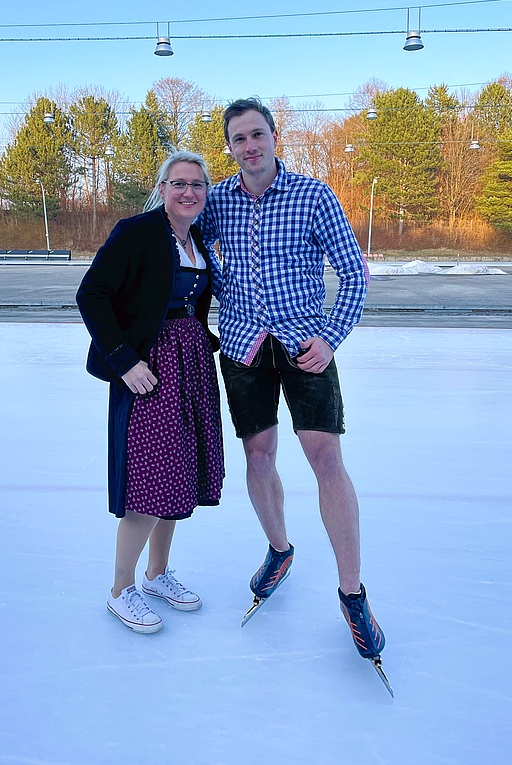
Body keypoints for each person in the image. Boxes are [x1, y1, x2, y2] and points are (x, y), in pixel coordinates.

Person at [198, 97, 385, 660]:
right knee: (258, 455)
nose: (249, 146)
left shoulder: (313, 195)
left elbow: (354, 273)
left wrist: (330, 338)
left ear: (275, 137)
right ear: (229, 147)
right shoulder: (218, 202)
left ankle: (352, 593)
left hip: (306, 345)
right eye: (238, 139)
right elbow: (185, 242)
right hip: (241, 344)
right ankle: (280, 550)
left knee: (326, 458)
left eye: (257, 135)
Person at [76, 151, 224, 635]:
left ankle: (157, 574)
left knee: (178, 471)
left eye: (198, 185)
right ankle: (121, 589)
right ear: (161, 188)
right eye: (179, 183)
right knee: (148, 480)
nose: (189, 192)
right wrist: (123, 360)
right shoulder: (136, 231)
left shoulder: (197, 237)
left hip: (191, 366)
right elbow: (91, 294)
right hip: (147, 369)